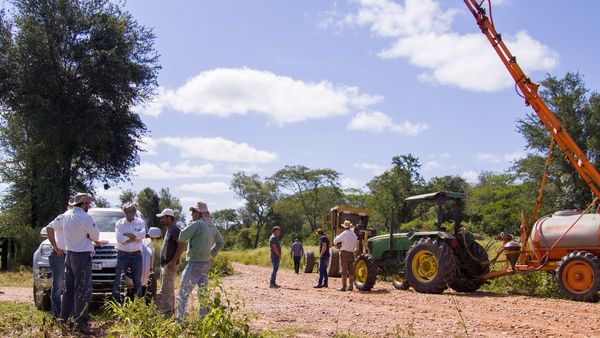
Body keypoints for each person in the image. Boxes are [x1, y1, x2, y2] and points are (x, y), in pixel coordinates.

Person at [176, 201, 224, 323]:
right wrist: (211, 253)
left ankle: (179, 321)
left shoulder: (198, 224)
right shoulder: (212, 226)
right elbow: (220, 243)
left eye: (193, 212)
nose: (192, 214)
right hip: (206, 263)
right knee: (203, 294)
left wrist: (190, 225)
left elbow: (182, 236)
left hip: (194, 263)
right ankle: (203, 320)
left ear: (198, 213)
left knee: (183, 293)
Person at [60, 193, 98, 335]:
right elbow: (96, 236)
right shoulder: (85, 217)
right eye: (88, 203)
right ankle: (80, 323)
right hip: (82, 256)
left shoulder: (67, 215)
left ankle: (64, 320)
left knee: (69, 290)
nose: (89, 206)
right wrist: (88, 235)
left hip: (69, 254)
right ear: (82, 204)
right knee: (83, 290)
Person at [111, 202, 146, 302]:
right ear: (124, 212)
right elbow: (119, 238)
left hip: (136, 255)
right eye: (127, 212)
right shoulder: (119, 223)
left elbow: (142, 234)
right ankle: (116, 303)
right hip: (122, 254)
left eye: (131, 212)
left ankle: (138, 304)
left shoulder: (140, 222)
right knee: (118, 280)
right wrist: (135, 237)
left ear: (135, 212)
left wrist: (129, 235)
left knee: (137, 281)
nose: (129, 215)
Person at [45, 198, 74, 319]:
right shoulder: (63, 217)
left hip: (71, 255)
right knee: (58, 286)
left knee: (70, 285)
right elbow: (49, 228)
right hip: (59, 255)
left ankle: (67, 313)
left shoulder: (76, 219)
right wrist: (55, 247)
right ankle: (56, 314)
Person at [156, 208, 185, 316]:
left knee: (166, 291)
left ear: (169, 218)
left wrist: (173, 262)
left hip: (170, 265)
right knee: (168, 289)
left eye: (163, 218)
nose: (161, 220)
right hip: (167, 264)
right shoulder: (170, 229)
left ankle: (166, 315)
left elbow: (182, 245)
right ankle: (170, 312)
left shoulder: (174, 229)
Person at [334, 220, 358, 292]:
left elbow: (335, 240)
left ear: (344, 227)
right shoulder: (354, 235)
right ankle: (351, 287)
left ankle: (344, 287)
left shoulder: (344, 233)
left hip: (344, 253)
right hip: (351, 253)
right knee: (351, 270)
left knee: (344, 270)